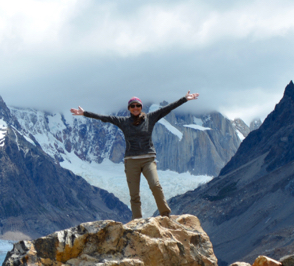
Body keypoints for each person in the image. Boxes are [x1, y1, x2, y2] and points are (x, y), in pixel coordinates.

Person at [71, 92, 200, 220]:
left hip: (148, 160)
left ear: (141, 107)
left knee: (155, 185)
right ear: (129, 108)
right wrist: (85, 113)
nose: (135, 108)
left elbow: (167, 108)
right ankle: (137, 221)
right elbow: (105, 118)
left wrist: (185, 99)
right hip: (131, 161)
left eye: (137, 105)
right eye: (132, 106)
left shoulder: (150, 118)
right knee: (134, 194)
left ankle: (165, 215)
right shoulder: (123, 122)